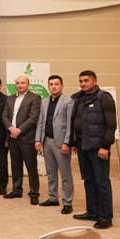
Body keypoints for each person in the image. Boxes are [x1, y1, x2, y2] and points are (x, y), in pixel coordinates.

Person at [71, 70, 117, 229]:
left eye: (86, 80)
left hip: (98, 147)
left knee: (101, 182)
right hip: (82, 145)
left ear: (95, 81)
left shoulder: (104, 97)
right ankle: (92, 212)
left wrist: (105, 146)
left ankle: (105, 217)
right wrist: (74, 143)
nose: (83, 83)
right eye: (81, 81)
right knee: (88, 180)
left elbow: (111, 124)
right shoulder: (78, 98)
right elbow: (75, 122)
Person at [35, 75, 75, 214]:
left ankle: (67, 202)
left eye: (56, 84)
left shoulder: (68, 101)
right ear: (48, 86)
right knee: (51, 173)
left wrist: (67, 142)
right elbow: (40, 122)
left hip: (61, 143)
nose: (53, 86)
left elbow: (70, 124)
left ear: (62, 86)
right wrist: (38, 140)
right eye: (51, 84)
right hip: (47, 141)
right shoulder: (44, 101)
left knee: (65, 174)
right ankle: (53, 198)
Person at [2, 76, 41, 205]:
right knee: (15, 165)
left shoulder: (35, 98)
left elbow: (33, 118)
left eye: (23, 83)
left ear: (28, 84)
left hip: (27, 137)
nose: (20, 85)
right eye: (17, 83)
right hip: (12, 137)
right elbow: (4, 116)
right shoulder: (9, 98)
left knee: (31, 167)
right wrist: (11, 128)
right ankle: (17, 190)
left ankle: (34, 193)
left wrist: (19, 130)